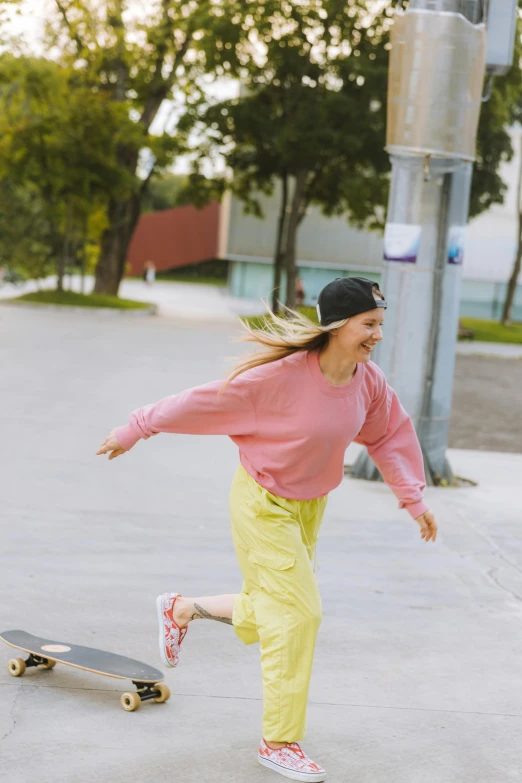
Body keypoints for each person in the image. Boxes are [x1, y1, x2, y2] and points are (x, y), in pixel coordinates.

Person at [97, 277, 437, 782]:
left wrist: (413, 498)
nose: (377, 335)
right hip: (262, 504)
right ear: (339, 326)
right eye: (369, 325)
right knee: (299, 615)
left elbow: (390, 434)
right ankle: (279, 741)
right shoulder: (279, 379)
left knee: (276, 605)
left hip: (308, 507)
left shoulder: (367, 382)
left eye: (380, 325)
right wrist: (136, 427)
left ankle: (181, 609)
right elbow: (202, 401)